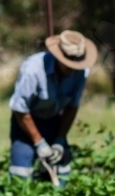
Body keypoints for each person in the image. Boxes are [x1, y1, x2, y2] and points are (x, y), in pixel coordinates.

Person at [8, 30, 97, 185]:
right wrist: (39, 143)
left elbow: (72, 107)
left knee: (62, 174)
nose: (72, 67)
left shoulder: (81, 73)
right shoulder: (33, 69)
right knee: (20, 176)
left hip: (55, 121)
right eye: (68, 61)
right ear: (58, 55)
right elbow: (20, 109)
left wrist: (60, 140)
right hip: (26, 123)